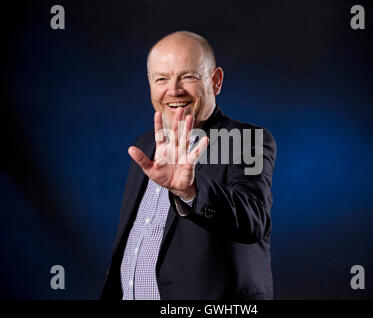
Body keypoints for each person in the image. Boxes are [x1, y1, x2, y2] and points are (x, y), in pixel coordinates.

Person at [101, 31, 277, 300]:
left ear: (215, 81)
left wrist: (191, 190)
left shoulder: (245, 140)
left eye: (189, 77)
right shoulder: (146, 143)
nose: (173, 90)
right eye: (162, 78)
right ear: (150, 82)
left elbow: (254, 220)